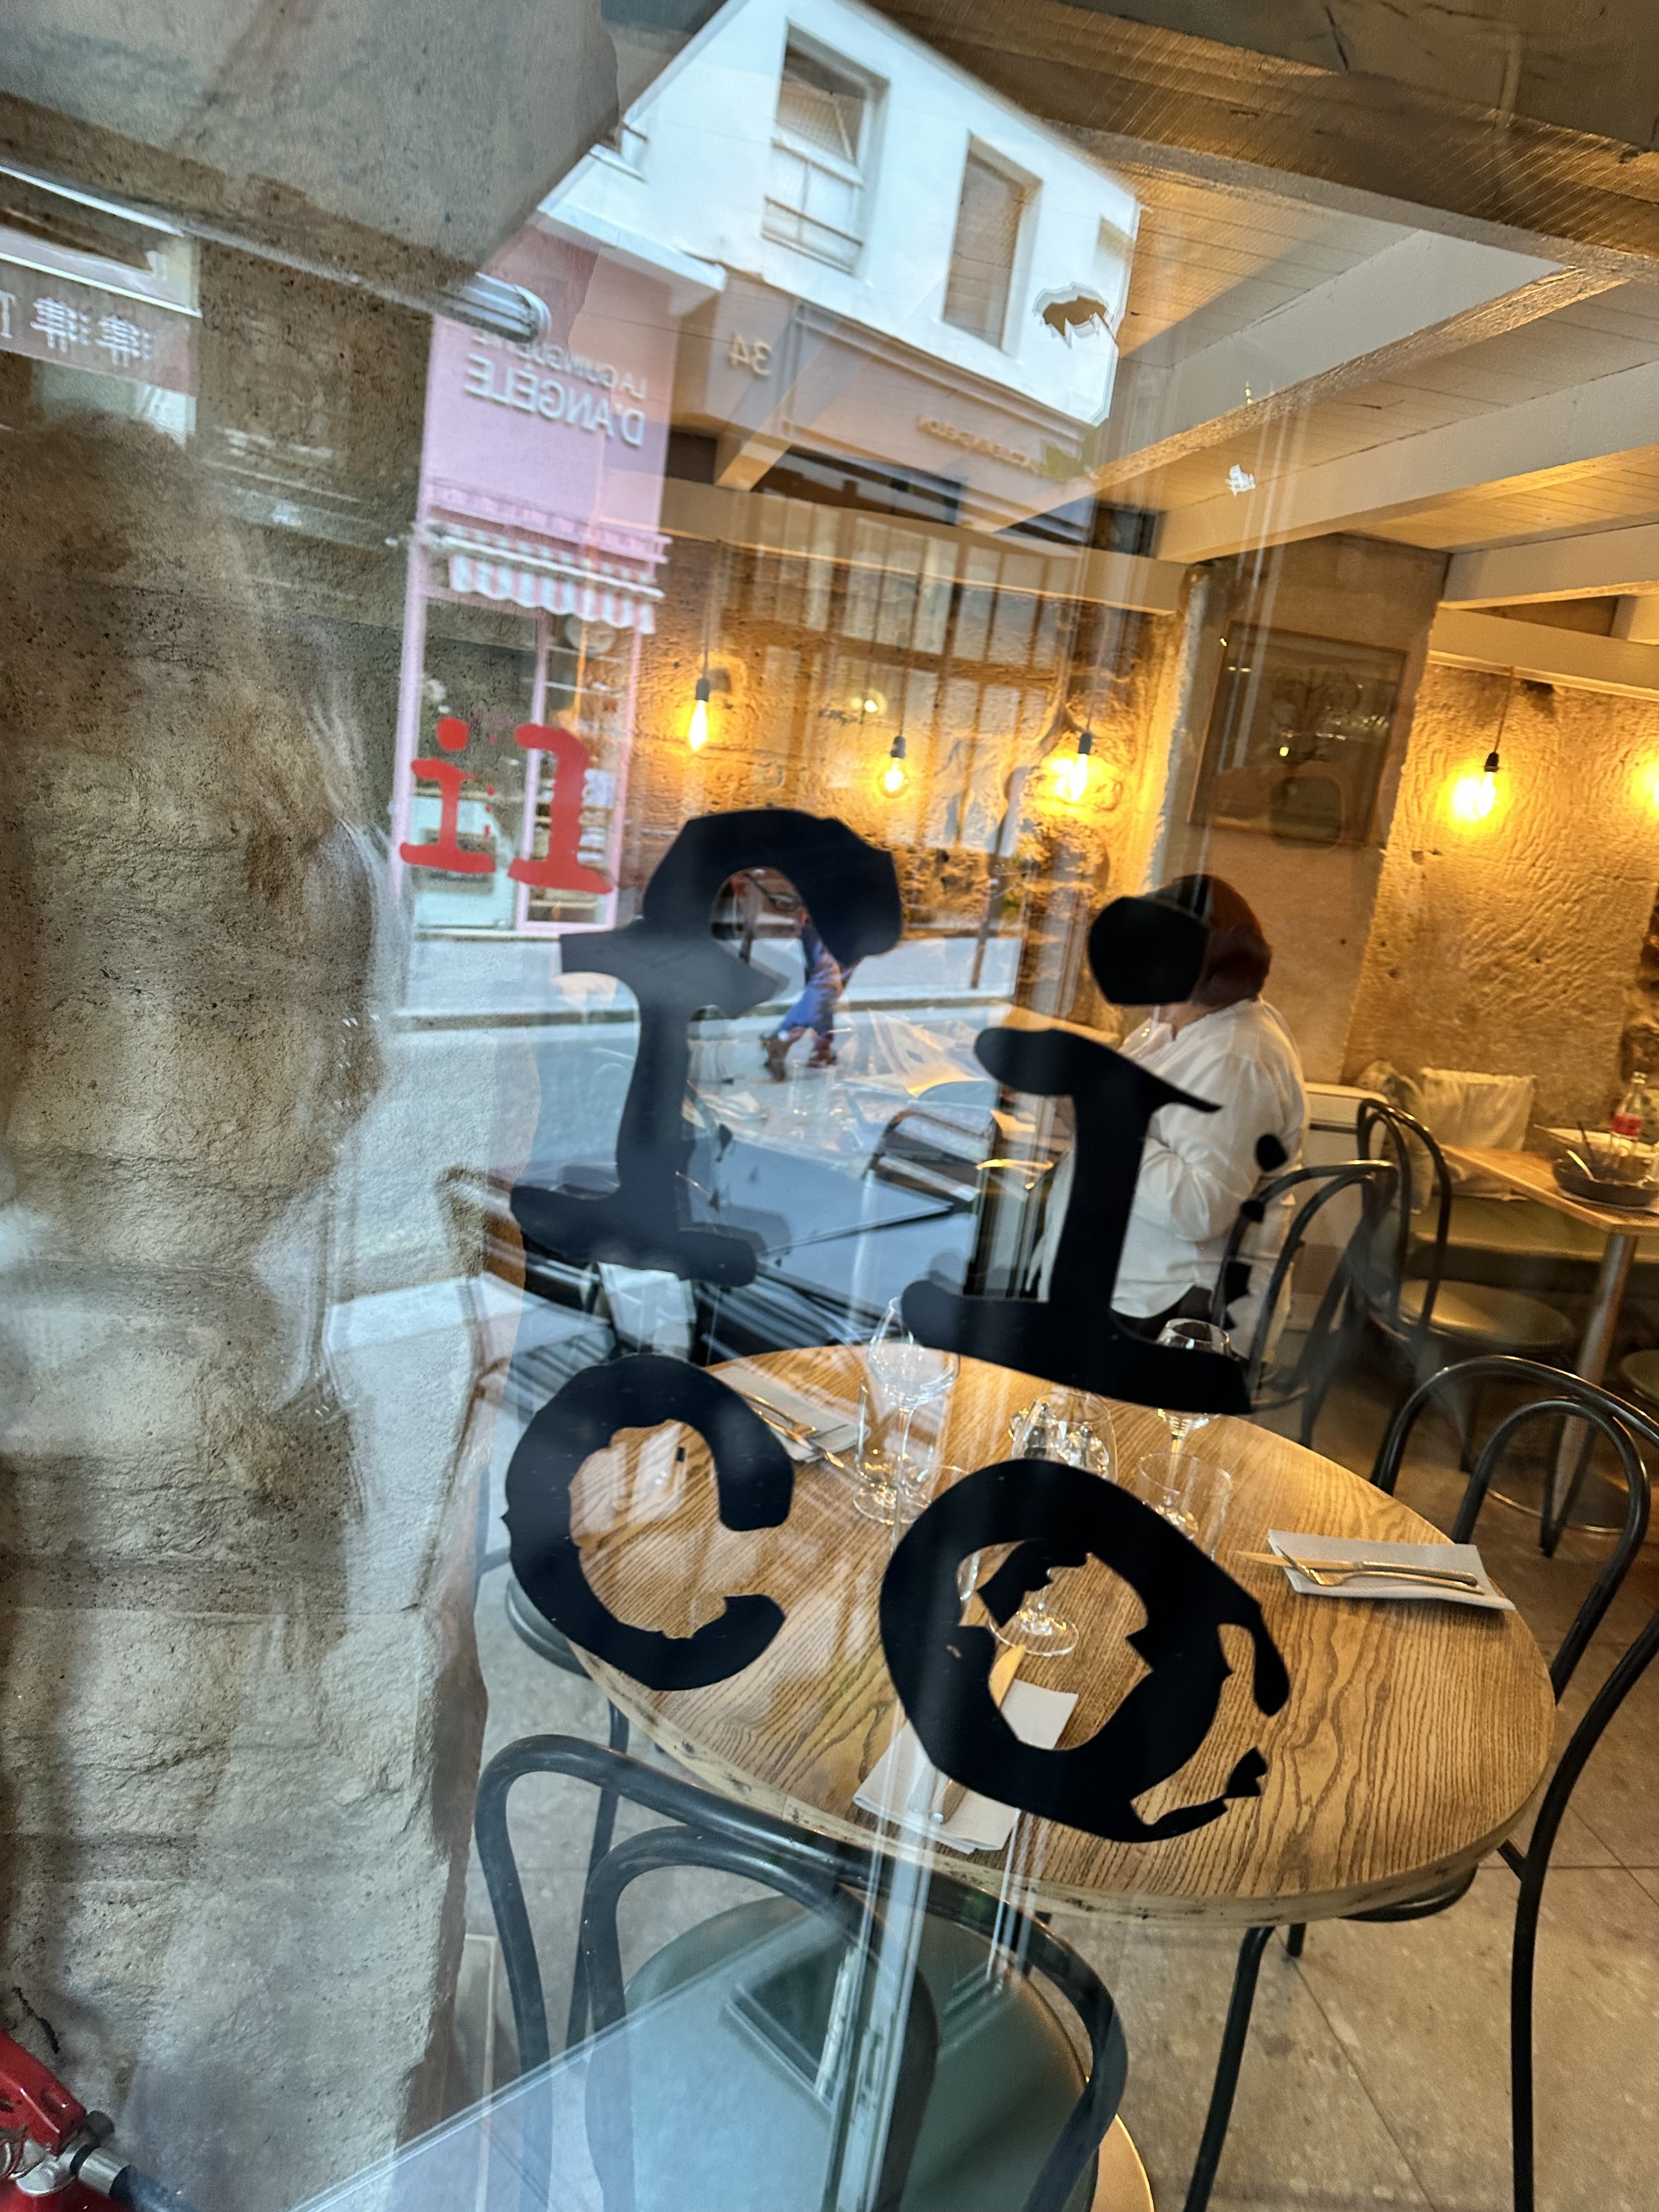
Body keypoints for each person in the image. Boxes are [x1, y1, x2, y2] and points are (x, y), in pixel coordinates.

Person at [1038, 874, 1307, 1345]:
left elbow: (1200, 1211)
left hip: (1168, 1310)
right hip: (1121, 1286)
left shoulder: (1236, 1057)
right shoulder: (1177, 1023)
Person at [763, 902, 851, 1079]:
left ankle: (798, 1043)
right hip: (827, 913)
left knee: (835, 980)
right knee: (827, 982)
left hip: (847, 913)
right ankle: (794, 1041)